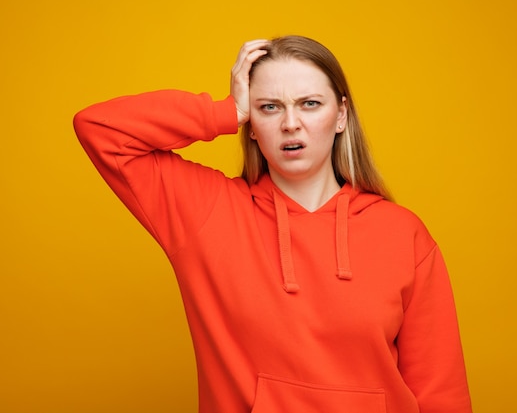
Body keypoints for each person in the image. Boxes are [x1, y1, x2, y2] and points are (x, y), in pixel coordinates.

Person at [74, 35, 472, 413]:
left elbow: (441, 393)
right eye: (269, 107)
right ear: (251, 126)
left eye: (310, 103)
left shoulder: (402, 233)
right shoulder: (207, 212)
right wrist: (223, 112)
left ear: (341, 116)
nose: (290, 123)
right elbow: (101, 129)